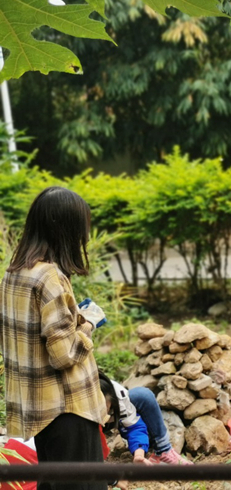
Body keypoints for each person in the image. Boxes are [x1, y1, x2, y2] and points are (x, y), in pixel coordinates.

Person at [0, 187, 108, 490]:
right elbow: (64, 355)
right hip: (69, 409)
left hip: (39, 410)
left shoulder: (14, 272)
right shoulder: (50, 277)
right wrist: (88, 327)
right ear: (65, 228)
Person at [99, 371, 192, 465]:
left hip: (108, 418)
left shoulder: (118, 395)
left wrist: (139, 454)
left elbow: (133, 427)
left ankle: (163, 451)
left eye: (104, 407)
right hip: (87, 427)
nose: (100, 412)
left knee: (142, 396)